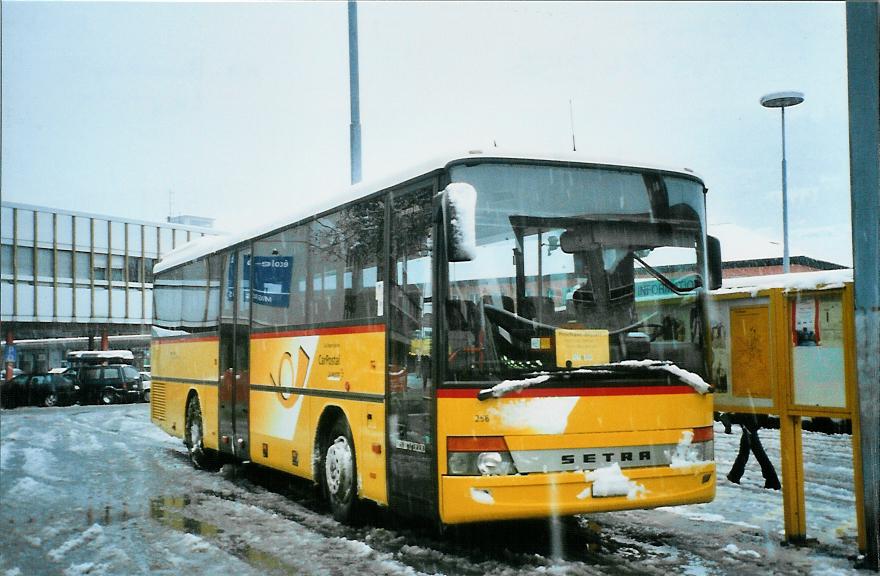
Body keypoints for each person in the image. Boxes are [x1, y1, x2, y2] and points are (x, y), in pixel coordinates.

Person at [725, 413, 781, 490]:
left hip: (750, 420)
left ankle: (773, 481)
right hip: (751, 419)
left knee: (758, 453)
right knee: (746, 450)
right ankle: (734, 475)